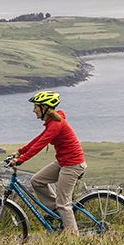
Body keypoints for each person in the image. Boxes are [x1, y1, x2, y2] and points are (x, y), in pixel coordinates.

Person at [10, 91, 87, 234]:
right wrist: (20, 152)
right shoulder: (52, 122)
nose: (34, 110)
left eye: (35, 107)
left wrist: (21, 160)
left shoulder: (56, 124)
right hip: (64, 162)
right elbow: (38, 139)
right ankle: (57, 213)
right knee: (37, 181)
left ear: (44, 107)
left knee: (64, 204)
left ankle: (73, 239)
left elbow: (40, 145)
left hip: (72, 165)